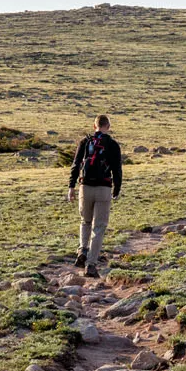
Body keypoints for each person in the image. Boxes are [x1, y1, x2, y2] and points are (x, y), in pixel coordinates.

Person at [68, 114, 123, 278]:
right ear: (108, 126)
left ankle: (82, 251)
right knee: (98, 227)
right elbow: (117, 169)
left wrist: (71, 186)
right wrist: (116, 189)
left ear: (94, 126)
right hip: (103, 188)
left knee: (85, 221)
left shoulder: (85, 142)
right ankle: (91, 264)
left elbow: (76, 164)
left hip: (85, 187)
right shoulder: (112, 145)